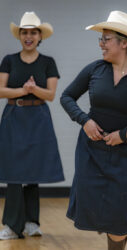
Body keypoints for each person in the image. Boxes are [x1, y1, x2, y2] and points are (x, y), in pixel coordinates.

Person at [60, 10, 127, 250]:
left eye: (106, 39)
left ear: (124, 43)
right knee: (97, 207)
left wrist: (124, 134)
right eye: (100, 39)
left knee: (120, 212)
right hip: (91, 150)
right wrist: (84, 121)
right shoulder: (95, 69)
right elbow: (67, 97)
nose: (101, 44)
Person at [0, 12, 64, 240]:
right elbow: (1, 90)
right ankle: (11, 225)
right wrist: (24, 90)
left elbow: (50, 94)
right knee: (15, 172)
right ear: (19, 35)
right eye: (25, 32)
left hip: (38, 117)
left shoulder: (48, 62)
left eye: (33, 32)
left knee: (34, 169)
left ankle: (31, 222)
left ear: (40, 36)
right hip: (14, 116)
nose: (29, 36)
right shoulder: (9, 59)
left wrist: (35, 90)